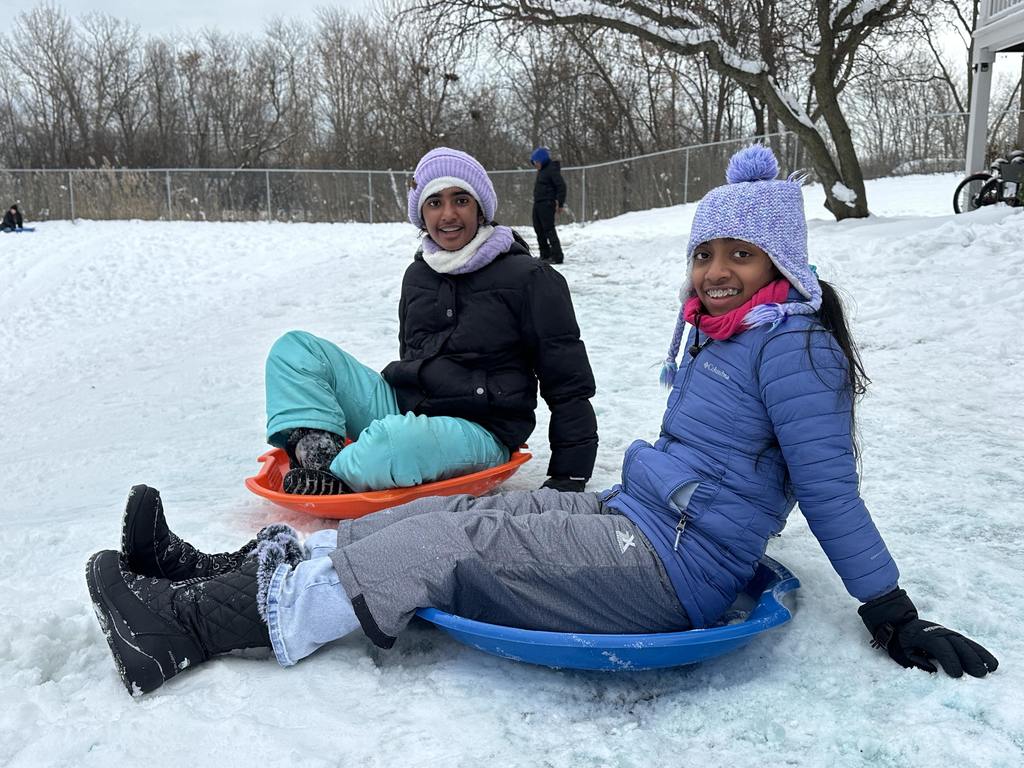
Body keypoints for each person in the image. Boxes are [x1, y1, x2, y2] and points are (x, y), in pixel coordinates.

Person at [85, 145, 998, 696]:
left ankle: (189, 629)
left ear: (783, 263)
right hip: (635, 521)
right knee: (420, 518)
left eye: (742, 256)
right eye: (705, 254)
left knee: (443, 548)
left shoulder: (796, 349)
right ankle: (218, 575)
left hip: (671, 568)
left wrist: (891, 611)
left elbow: (831, 489)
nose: (716, 272)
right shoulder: (727, 336)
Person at [265, 147, 597, 496]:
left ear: (481, 208)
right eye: (435, 202)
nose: (448, 214)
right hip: (407, 410)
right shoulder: (418, 276)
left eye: (461, 200)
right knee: (295, 349)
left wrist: (570, 473)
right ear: (421, 214)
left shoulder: (530, 278)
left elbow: (567, 381)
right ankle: (320, 463)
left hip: (480, 430)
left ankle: (342, 471)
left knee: (394, 442)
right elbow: (412, 355)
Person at [530, 147, 566, 264]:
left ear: (543, 160)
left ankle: (557, 256)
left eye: (537, 162)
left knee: (548, 229)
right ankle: (545, 254)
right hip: (538, 203)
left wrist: (560, 203)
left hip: (546, 203)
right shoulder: (542, 171)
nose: (536, 165)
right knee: (538, 229)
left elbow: (561, 186)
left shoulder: (551, 169)